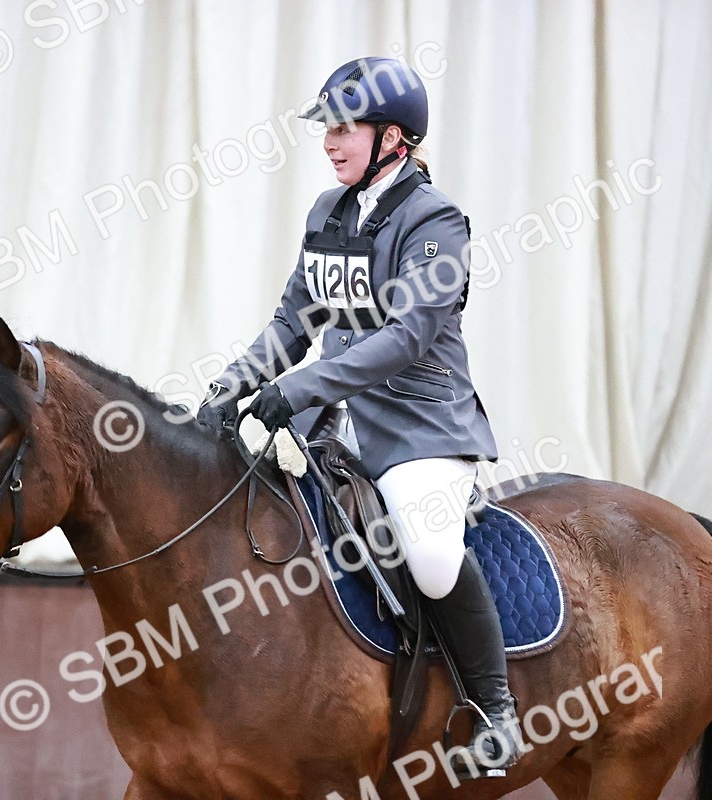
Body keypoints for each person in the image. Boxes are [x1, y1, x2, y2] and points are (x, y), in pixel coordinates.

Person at [196, 57, 523, 773]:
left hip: (419, 428)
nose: (330, 141)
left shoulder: (434, 220)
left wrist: (300, 388)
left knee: (429, 555)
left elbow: (406, 337)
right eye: (328, 128)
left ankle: (495, 710)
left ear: (394, 137)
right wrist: (232, 385)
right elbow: (294, 320)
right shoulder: (327, 212)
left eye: (345, 128)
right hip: (334, 426)